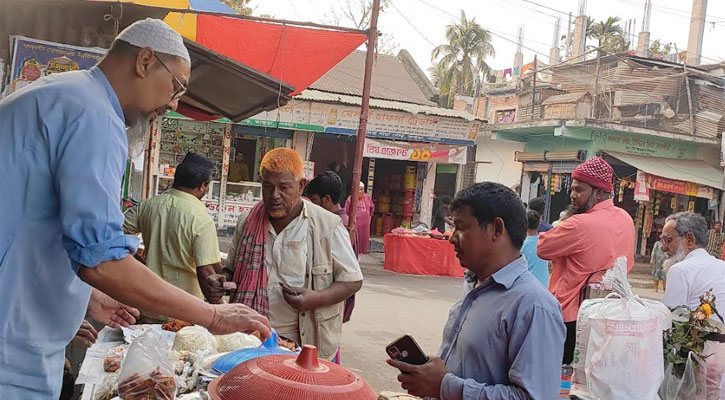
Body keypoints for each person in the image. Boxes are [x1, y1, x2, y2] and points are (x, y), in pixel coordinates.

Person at [0, 19, 271, 398]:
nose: (173, 104)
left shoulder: (64, 94)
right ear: (145, 61)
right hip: (10, 347)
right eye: (176, 86)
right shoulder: (93, 113)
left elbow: (37, 225)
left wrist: (86, 296)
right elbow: (102, 260)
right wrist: (213, 315)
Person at [387, 182, 565, 399]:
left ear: (496, 229)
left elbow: (537, 396)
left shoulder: (534, 306)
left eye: (461, 228)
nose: (452, 237)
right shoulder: (474, 285)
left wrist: (445, 386)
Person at [217, 148, 363, 362]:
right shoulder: (247, 221)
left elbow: (352, 280)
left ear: (301, 185)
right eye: (268, 186)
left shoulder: (327, 225)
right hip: (250, 339)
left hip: (304, 341)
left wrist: (316, 298)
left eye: (284, 187)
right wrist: (221, 281)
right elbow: (231, 270)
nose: (274, 195)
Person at [537, 156, 635, 366]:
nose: (573, 195)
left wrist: (565, 221)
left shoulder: (578, 224)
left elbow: (542, 248)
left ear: (599, 192)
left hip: (571, 317)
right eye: (573, 189)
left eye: (579, 190)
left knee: (559, 379)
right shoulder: (626, 219)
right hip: (609, 315)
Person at [124, 152, 227, 322]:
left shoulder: (148, 206)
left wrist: (136, 261)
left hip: (147, 304)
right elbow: (206, 272)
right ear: (203, 186)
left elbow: (115, 234)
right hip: (185, 310)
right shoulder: (201, 219)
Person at [662, 212, 725, 399]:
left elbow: (670, 328)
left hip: (699, 361)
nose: (663, 248)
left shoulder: (680, 270)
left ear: (689, 239)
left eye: (668, 240)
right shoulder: (721, 266)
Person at [305, 171, 359, 323]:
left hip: (333, 301)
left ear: (326, 200)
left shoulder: (338, 226)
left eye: (314, 200)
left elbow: (347, 276)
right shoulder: (343, 221)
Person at [521, 210, 550, 287]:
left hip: (527, 285)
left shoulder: (521, 244)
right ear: (539, 224)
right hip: (544, 285)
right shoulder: (545, 241)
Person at [346, 181, 375, 254]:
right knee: (355, 240)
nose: (361, 191)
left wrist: (370, 217)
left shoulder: (367, 197)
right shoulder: (350, 198)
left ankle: (362, 252)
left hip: (365, 225)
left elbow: (372, 208)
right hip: (355, 225)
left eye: (362, 189)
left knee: (363, 239)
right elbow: (347, 210)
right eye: (359, 189)